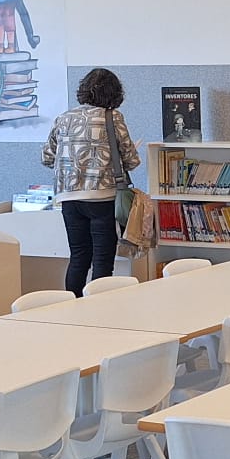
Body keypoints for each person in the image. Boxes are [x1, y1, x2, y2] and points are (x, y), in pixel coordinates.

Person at [42, 67, 141, 294]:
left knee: (78, 257)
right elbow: (132, 160)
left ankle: (73, 304)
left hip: (69, 198)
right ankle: (98, 308)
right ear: (114, 93)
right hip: (102, 198)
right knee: (102, 260)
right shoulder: (113, 117)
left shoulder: (64, 118)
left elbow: (47, 157)